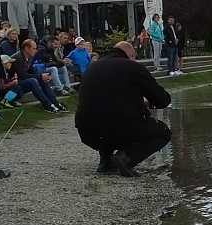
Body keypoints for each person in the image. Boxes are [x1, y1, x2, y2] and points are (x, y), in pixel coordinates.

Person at [74, 41, 172, 176]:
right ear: (130, 54)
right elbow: (163, 100)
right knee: (163, 132)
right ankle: (127, 158)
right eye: (134, 57)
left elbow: (104, 99)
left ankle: (106, 161)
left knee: (104, 116)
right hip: (120, 128)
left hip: (87, 132)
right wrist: (146, 103)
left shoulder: (92, 67)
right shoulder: (132, 67)